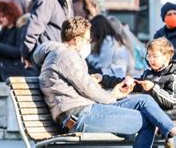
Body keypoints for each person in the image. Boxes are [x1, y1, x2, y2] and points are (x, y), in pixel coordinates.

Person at [33, 17, 176, 147]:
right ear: (77, 39)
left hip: (88, 109)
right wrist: (112, 97)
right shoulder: (66, 55)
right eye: (88, 40)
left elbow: (84, 86)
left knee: (143, 100)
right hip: (80, 115)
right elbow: (87, 88)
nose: (89, 43)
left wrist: (114, 93)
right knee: (148, 120)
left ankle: (170, 129)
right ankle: (171, 130)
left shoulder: (64, 55)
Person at [22, 0, 83, 68]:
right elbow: (33, 30)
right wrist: (28, 55)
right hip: (46, 58)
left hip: (58, 56)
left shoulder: (66, 0)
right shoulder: (48, 0)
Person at [0, 1, 37, 81]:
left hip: (15, 70)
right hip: (3, 68)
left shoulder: (20, 28)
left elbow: (19, 51)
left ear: (10, 14)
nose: (1, 19)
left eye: (3, 16)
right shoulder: (3, 29)